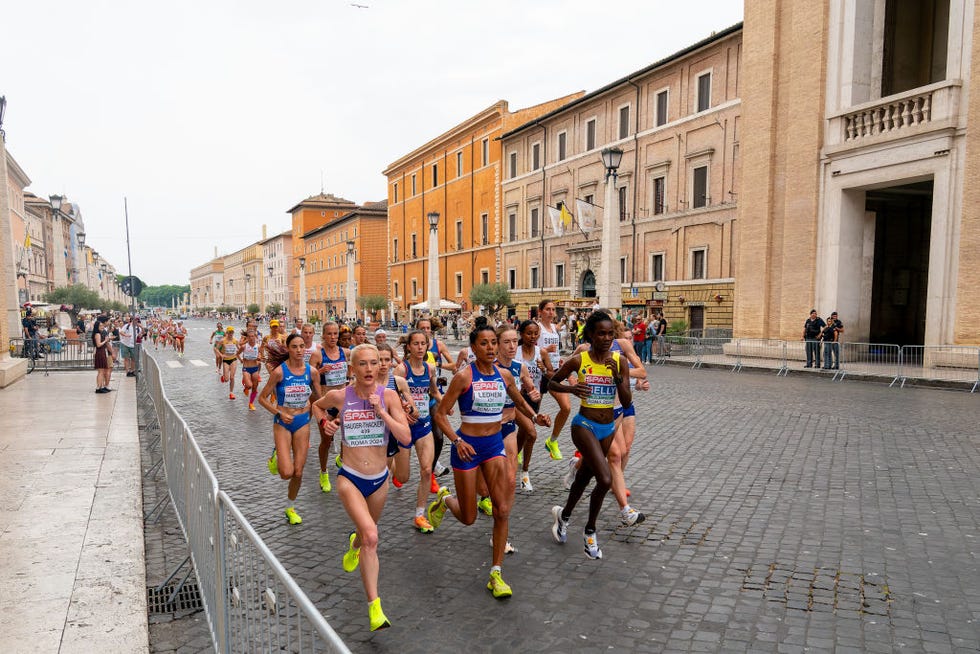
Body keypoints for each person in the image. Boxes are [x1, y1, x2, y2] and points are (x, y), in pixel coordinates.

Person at [427, 323, 550, 599]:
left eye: (494, 342)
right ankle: (445, 499)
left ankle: (496, 573)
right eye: (485, 343)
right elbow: (441, 414)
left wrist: (534, 417)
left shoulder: (504, 374)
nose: (492, 347)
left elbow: (518, 401)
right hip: (467, 449)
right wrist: (458, 442)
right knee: (469, 518)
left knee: (502, 510)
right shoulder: (463, 377)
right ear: (473, 348)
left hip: (494, 446)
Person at [312, 344, 411, 631]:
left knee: (364, 537)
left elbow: (405, 437)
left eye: (373, 363)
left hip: (380, 479)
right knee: (371, 535)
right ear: (351, 369)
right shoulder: (341, 396)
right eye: (362, 364)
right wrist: (326, 423)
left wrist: (383, 412)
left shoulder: (389, 396)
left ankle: (353, 546)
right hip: (350, 477)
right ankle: (375, 607)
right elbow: (316, 406)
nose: (369, 369)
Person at [548, 311, 631, 560]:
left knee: (584, 478)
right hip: (584, 424)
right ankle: (590, 532)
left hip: (608, 428)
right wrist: (571, 388)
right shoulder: (579, 360)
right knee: (605, 479)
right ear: (591, 335)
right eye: (600, 333)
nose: (606, 338)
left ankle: (563, 516)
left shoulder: (619, 361)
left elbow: (626, 402)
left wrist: (618, 380)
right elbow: (551, 383)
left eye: (610, 334)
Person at [258, 333, 322, 525]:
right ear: (288, 349)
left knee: (298, 472)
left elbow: (318, 399)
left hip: (302, 421)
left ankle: (290, 507)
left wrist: (325, 415)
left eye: (302, 346)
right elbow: (262, 398)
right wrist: (278, 413)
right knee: (286, 473)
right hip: (283, 422)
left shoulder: (312, 372)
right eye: (294, 347)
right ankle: (277, 453)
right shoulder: (279, 372)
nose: (299, 350)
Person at [394, 330, 443, 532]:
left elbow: (433, 390)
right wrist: (401, 411)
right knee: (403, 477)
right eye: (416, 344)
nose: (421, 347)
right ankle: (394, 469)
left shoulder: (429, 369)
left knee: (426, 470)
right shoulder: (401, 370)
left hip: (423, 424)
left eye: (424, 344)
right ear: (409, 347)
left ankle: (420, 515)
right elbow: (391, 394)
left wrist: (445, 404)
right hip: (404, 428)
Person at [315, 321, 349, 492]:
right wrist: (320, 372)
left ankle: (341, 460)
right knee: (326, 442)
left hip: (343, 403)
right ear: (323, 335)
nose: (333, 337)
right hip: (326, 404)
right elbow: (309, 377)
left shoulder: (345, 352)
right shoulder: (318, 355)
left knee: (347, 438)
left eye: (335, 334)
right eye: (329, 334)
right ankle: (323, 472)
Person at [537, 300, 570, 460]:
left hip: (554, 371)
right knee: (533, 412)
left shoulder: (554, 329)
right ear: (540, 311)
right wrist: (544, 350)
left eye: (553, 309)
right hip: (538, 372)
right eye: (548, 309)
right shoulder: (537, 328)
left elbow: (555, 351)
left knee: (566, 407)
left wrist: (559, 359)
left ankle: (553, 441)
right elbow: (529, 347)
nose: (551, 312)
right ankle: (520, 445)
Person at [238, 328, 263, 410]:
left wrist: (259, 358)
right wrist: (241, 360)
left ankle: (251, 403)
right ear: (247, 338)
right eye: (249, 336)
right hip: (246, 368)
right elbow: (237, 354)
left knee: (255, 388)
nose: (251, 338)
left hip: (255, 368)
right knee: (249, 385)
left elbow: (261, 356)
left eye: (253, 336)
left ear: (255, 337)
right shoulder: (244, 346)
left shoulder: (258, 346)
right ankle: (246, 388)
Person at [92, 315, 115, 393]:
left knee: (101, 371)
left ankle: (100, 386)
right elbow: (98, 344)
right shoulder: (98, 334)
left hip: (101, 352)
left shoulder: (99, 333)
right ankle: (99, 387)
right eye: (100, 326)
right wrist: (106, 340)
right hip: (101, 352)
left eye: (102, 325)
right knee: (101, 372)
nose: (102, 327)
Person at [218, 327, 240, 399]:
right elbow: (215, 348)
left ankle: (231, 393)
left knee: (232, 377)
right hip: (226, 360)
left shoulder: (235, 340)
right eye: (229, 332)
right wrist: (221, 355)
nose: (231, 334)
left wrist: (240, 355)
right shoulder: (222, 341)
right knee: (226, 379)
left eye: (232, 332)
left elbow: (239, 349)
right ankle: (224, 377)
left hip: (233, 359)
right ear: (227, 333)